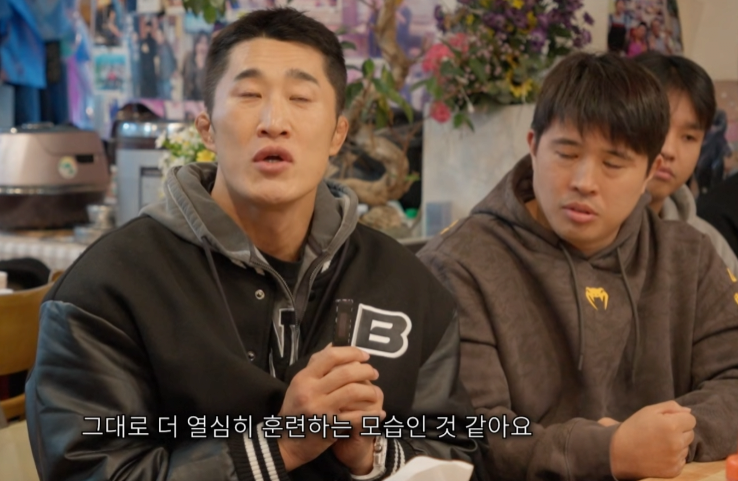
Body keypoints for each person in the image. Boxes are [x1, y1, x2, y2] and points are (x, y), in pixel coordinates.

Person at [26, 7, 486, 481]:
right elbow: (89, 470)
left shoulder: (407, 286)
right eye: (249, 95)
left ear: (337, 134)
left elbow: (457, 452)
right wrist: (279, 446)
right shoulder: (108, 288)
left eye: (301, 97)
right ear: (207, 129)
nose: (274, 121)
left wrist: (370, 454)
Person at [418, 52, 738, 481]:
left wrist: (669, 437)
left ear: (650, 171)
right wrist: (608, 451)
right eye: (567, 154)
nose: (584, 182)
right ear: (533, 146)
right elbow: (469, 433)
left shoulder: (690, 254)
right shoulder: (458, 264)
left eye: (613, 164)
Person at [633, 51, 738, 273]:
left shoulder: (711, 248)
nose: (668, 150)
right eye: (657, 128)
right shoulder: (579, 226)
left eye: (689, 137)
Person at [182, 32, 210, 100]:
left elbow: (203, 88)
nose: (202, 47)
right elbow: (184, 77)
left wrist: (201, 68)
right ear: (195, 44)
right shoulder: (188, 57)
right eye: (200, 43)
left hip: (203, 101)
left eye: (205, 44)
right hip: (189, 99)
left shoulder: (210, 62)